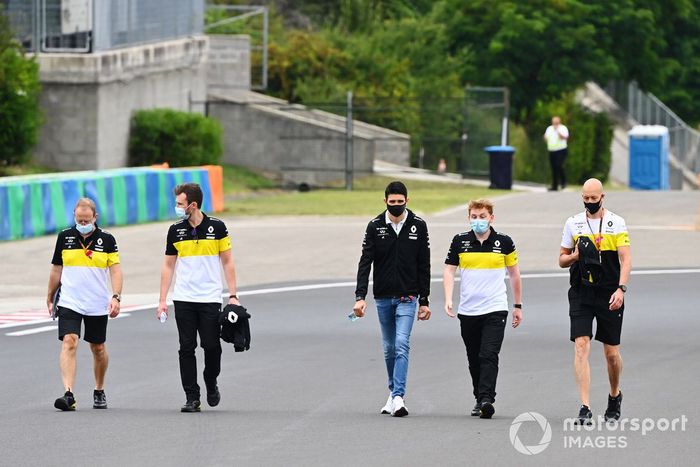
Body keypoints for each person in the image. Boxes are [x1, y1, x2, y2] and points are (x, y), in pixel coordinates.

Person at [158, 183, 241, 413]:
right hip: (184, 298)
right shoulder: (175, 230)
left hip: (210, 298)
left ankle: (210, 380)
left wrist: (233, 295)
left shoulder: (218, 227)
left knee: (212, 346)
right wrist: (162, 300)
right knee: (186, 347)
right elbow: (168, 266)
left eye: (179, 204)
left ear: (192, 205)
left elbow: (228, 262)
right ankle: (191, 397)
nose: (176, 207)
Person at [353, 181, 431, 417]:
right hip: (383, 296)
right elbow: (365, 262)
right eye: (392, 202)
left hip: (408, 296)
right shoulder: (375, 226)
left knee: (401, 344)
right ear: (385, 201)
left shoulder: (418, 225)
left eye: (400, 201)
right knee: (388, 348)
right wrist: (360, 296)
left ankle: (398, 396)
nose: (396, 205)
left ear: (407, 200)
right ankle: (392, 392)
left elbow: (423, 264)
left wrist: (425, 300)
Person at [559, 178, 631, 425]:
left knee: (611, 353)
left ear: (603, 197)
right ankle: (585, 406)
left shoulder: (616, 223)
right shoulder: (573, 223)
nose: (590, 203)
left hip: (609, 291)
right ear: (582, 197)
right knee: (581, 345)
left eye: (594, 199)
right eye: (586, 199)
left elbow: (626, 259)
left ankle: (614, 395)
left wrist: (621, 289)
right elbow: (561, 259)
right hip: (581, 291)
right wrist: (575, 255)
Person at [443, 199, 522, 419]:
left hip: (495, 308)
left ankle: (487, 399)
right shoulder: (460, 241)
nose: (478, 221)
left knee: (489, 354)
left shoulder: (504, 242)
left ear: (491, 218)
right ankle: (479, 396)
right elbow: (449, 271)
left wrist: (517, 305)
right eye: (474, 217)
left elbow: (514, 274)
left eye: (483, 216)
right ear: (469, 218)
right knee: (474, 357)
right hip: (468, 311)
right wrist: (448, 298)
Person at [47, 198, 122, 411]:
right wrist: (50, 295)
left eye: (86, 219)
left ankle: (99, 389)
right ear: (74, 216)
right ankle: (68, 394)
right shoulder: (64, 236)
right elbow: (56, 269)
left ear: (95, 218)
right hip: (70, 300)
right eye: (79, 219)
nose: (83, 223)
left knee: (97, 347)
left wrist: (116, 296)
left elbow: (115, 270)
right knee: (69, 341)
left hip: (96, 302)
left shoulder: (107, 239)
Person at [544, 116, 570, 191]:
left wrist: (557, 131)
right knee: (553, 168)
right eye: (553, 122)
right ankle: (554, 186)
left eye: (556, 122)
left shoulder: (563, 128)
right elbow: (546, 137)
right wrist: (545, 138)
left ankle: (563, 182)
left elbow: (565, 137)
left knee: (558, 166)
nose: (554, 124)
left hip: (561, 150)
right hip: (552, 150)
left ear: (559, 122)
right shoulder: (549, 128)